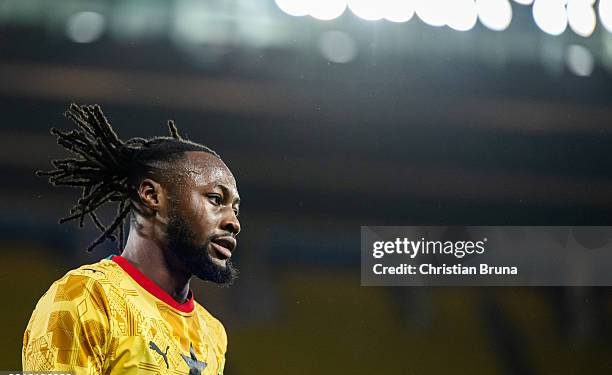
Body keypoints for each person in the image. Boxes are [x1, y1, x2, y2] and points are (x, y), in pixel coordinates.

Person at [22, 103, 241, 375]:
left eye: (235, 209)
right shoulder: (87, 296)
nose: (234, 222)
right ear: (152, 195)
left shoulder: (212, 332)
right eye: (216, 199)